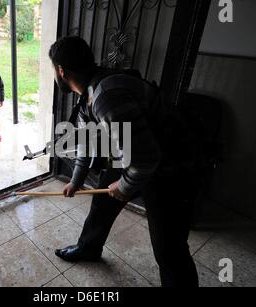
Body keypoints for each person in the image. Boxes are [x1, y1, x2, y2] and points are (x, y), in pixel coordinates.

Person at [49, 36, 200, 287]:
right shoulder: (87, 93)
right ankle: (89, 248)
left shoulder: (107, 96)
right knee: (101, 207)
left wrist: (124, 187)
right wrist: (75, 182)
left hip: (172, 167)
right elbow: (87, 143)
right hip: (136, 155)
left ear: (61, 71)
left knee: (169, 247)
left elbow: (146, 160)